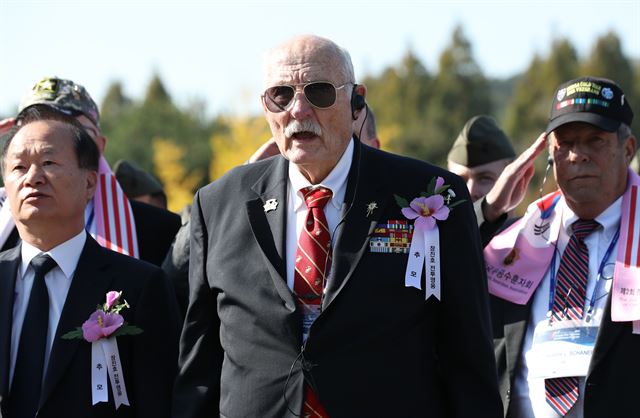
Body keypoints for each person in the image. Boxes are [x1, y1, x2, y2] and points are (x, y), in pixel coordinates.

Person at [173, 34, 501, 418]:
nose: (299, 109)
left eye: (319, 92)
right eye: (281, 94)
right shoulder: (218, 204)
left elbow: (468, 356)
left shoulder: (432, 195)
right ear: (265, 107)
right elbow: (199, 365)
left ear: (355, 101)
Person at [0, 108, 179, 417]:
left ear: (90, 183)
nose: (32, 177)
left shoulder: (139, 286)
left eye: (48, 162)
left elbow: (158, 401)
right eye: (19, 167)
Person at [485, 76, 639, 418]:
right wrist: (488, 213)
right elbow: (452, 290)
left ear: (627, 150)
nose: (577, 155)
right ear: (550, 154)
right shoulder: (517, 238)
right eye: (565, 142)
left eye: (594, 141)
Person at [0, 77, 181, 266]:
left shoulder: (157, 229)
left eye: (73, 130)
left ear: (98, 146)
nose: (49, 139)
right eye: (34, 127)